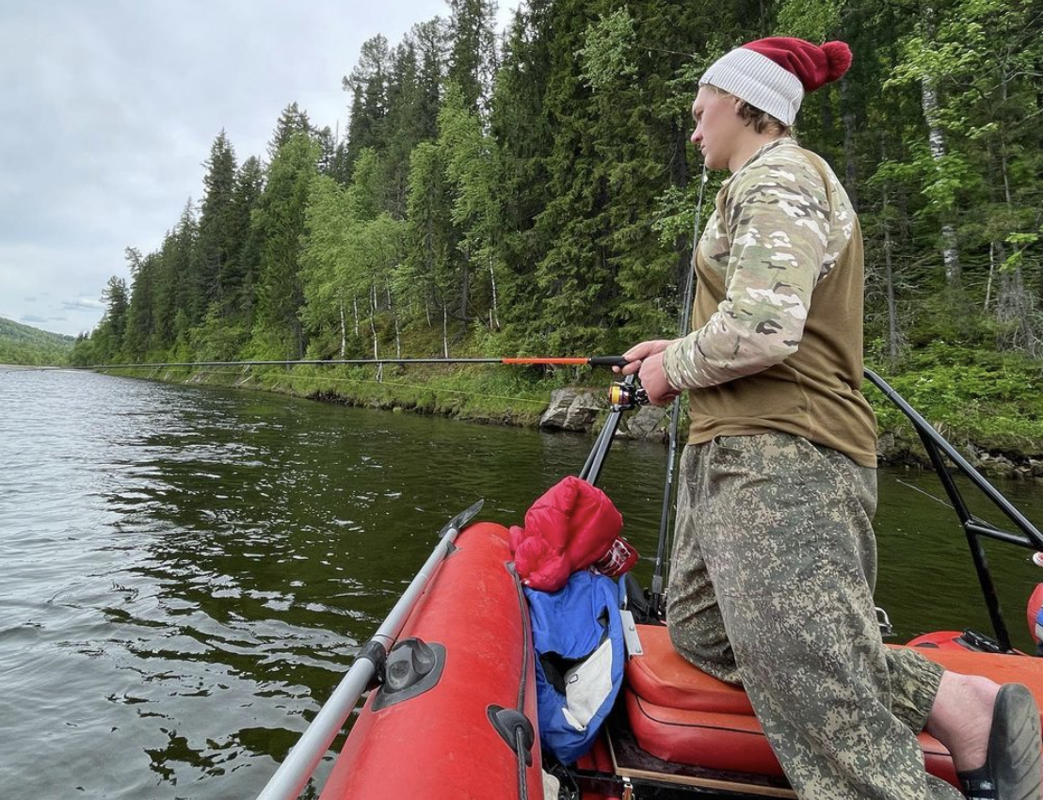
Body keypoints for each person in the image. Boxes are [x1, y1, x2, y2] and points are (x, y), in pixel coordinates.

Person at [620, 37, 1042, 800]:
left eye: (699, 111)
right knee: (702, 630)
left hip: (783, 459)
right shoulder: (760, 182)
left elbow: (762, 329)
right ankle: (957, 701)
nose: (693, 129)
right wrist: (681, 347)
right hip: (738, 451)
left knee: (827, 708)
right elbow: (759, 315)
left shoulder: (779, 175)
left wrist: (668, 370)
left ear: (745, 104)